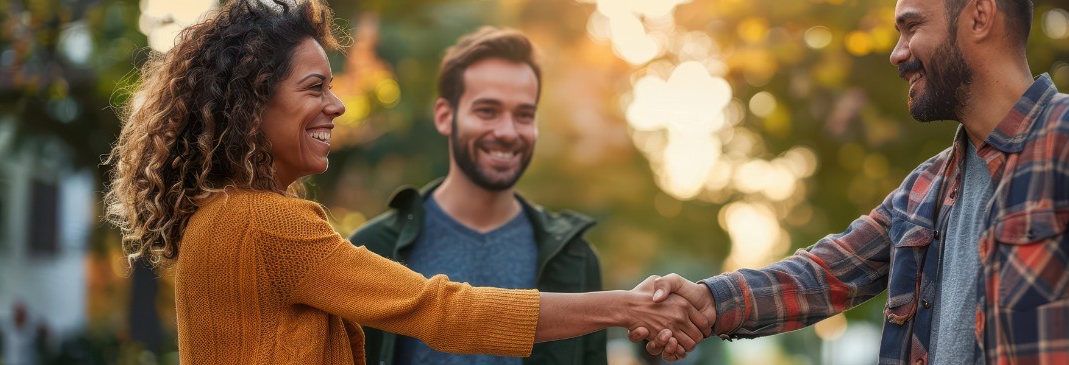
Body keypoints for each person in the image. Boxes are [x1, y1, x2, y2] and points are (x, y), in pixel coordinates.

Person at [102, 1, 708, 364]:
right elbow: (441, 310)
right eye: (315, 88)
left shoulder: (218, 218)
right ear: (253, 102)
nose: (336, 106)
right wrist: (626, 306)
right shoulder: (268, 224)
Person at [633, 0, 1069, 363]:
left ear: (978, 16)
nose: (897, 53)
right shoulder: (924, 190)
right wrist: (707, 301)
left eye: (911, 27)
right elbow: (823, 273)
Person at [348, 27, 606, 365]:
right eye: (487, 111)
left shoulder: (575, 259)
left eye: (524, 115)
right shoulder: (373, 249)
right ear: (445, 116)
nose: (507, 132)